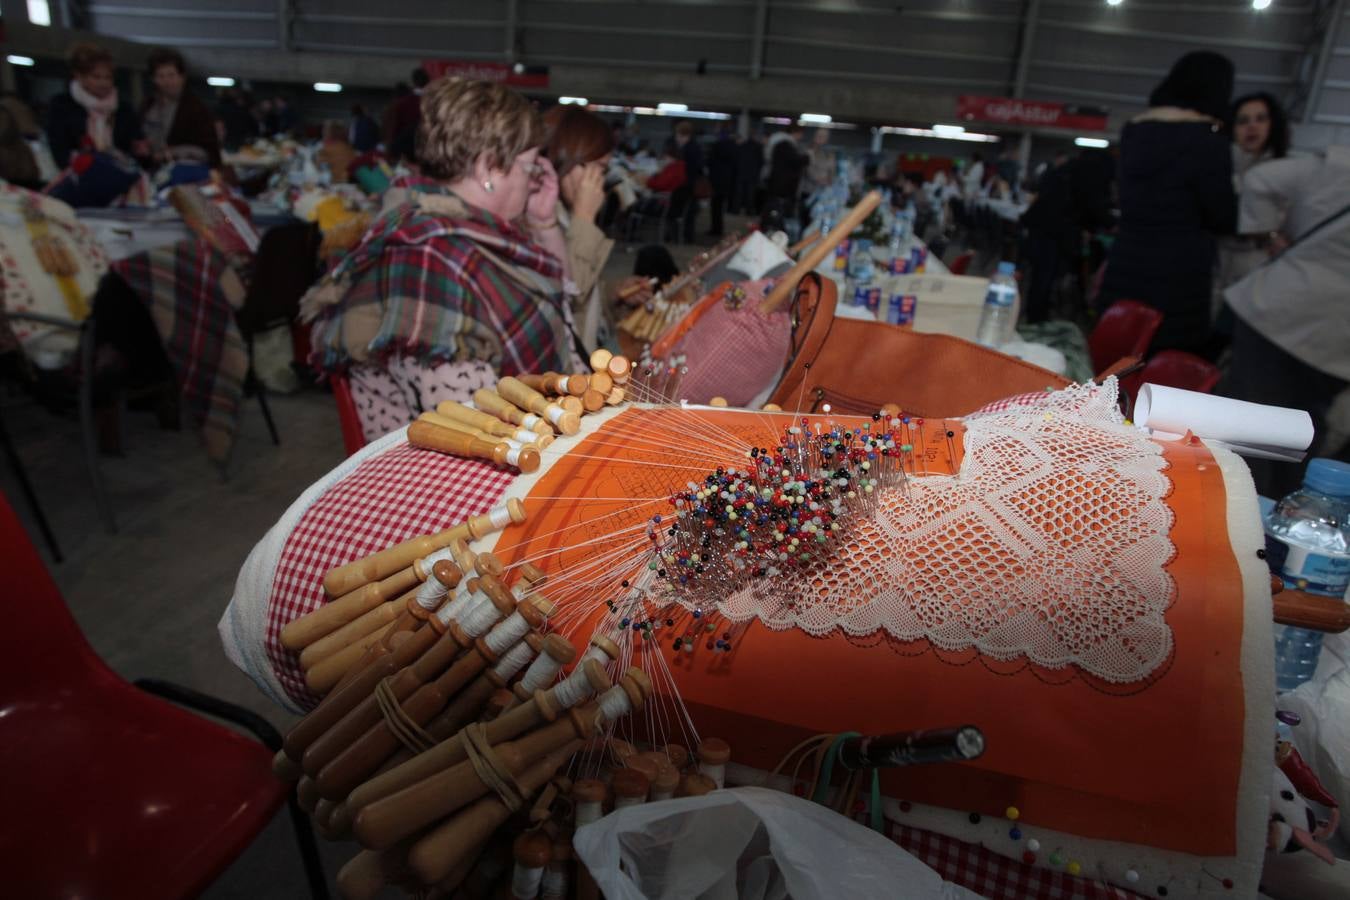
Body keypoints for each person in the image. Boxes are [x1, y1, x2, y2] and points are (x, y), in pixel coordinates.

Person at [302, 78, 575, 442]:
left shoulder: (456, 224)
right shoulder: (429, 259)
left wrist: (544, 223)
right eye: (529, 167)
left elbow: (566, 301)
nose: (534, 180)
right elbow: (472, 428)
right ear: (489, 168)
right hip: (467, 462)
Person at [1222, 145, 1350, 497]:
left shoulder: (1335, 167)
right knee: (1303, 428)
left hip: (1282, 307)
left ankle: (1241, 509)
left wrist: (1267, 233)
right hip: (1336, 336)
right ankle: (1274, 514)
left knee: (1248, 421)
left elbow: (1261, 179)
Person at [1098, 51, 1237, 354]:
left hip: (1126, 259)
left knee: (1116, 354)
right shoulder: (1208, 140)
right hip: (1178, 276)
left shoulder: (1134, 130)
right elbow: (1221, 216)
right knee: (1162, 366)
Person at [541, 104, 648, 350]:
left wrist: (613, 294)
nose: (598, 180)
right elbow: (569, 293)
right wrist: (585, 216)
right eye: (597, 167)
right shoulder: (540, 221)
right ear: (566, 158)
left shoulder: (566, 214)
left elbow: (585, 301)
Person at [1213, 92, 1290, 325]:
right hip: (1214, 260)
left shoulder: (1286, 172)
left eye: (1260, 119)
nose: (1252, 127)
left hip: (1256, 268)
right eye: (1243, 121)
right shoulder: (1217, 167)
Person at [45, 42, 146, 167]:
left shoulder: (123, 108)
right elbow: (59, 147)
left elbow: (137, 146)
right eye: (96, 77)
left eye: (108, 77)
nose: (103, 83)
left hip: (120, 174)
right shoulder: (61, 106)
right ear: (79, 76)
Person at [141, 47, 221, 169]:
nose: (166, 81)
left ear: (182, 76)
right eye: (160, 76)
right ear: (153, 79)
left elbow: (209, 150)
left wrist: (172, 152)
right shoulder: (147, 105)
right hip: (152, 170)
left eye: (171, 75)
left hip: (187, 173)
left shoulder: (197, 109)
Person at [765, 126, 808, 230]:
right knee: (778, 215)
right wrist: (807, 157)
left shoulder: (779, 144)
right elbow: (796, 161)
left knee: (775, 212)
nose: (801, 137)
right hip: (782, 187)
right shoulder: (785, 145)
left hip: (777, 185)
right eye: (801, 134)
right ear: (795, 132)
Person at [670, 121, 703, 243]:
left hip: (686, 186)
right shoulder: (694, 147)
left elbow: (686, 170)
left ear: (682, 135)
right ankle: (686, 237)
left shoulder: (688, 149)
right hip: (691, 185)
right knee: (689, 213)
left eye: (677, 135)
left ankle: (678, 236)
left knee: (679, 212)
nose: (676, 138)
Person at [389, 68, 430, 164]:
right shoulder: (434, 101)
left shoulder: (403, 103)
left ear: (414, 81)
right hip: (427, 147)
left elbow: (396, 127)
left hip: (407, 147)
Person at [706, 127, 736, 238]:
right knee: (721, 206)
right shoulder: (733, 147)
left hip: (716, 180)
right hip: (727, 180)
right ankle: (719, 228)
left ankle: (715, 228)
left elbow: (710, 162)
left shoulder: (716, 146)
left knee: (715, 207)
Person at [732, 130, 763, 215]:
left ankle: (736, 210)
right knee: (750, 194)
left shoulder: (742, 146)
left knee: (739, 193)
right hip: (752, 174)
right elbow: (761, 161)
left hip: (741, 173)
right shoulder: (758, 147)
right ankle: (749, 211)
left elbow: (736, 160)